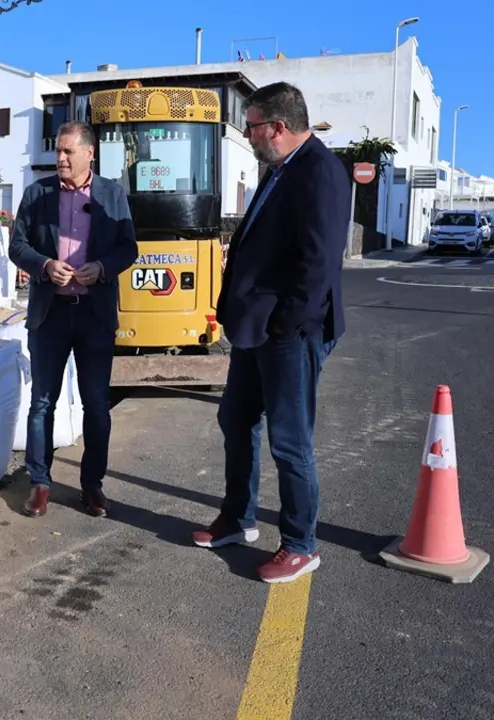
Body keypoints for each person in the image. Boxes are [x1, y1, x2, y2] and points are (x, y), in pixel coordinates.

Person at [191, 81, 350, 584]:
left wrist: (288, 322)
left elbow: (318, 262)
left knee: (289, 440)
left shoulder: (320, 171)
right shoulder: (280, 171)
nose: (248, 133)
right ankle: (238, 518)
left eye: (254, 125)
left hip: (287, 333)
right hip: (256, 330)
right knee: (235, 421)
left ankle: (301, 544)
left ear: (279, 128)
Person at [9, 121, 138, 518]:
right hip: (50, 315)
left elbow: (128, 248)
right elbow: (17, 245)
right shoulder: (37, 193)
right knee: (42, 402)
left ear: (89, 153)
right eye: (58, 152)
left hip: (94, 316)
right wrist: (45, 265)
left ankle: (92, 485)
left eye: (67, 152)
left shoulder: (113, 195)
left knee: (97, 404)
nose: (60, 159)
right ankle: (40, 482)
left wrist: (100, 268)